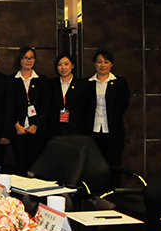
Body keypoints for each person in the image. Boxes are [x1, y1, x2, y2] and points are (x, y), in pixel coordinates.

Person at [85, 49, 130, 185]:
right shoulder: (87, 83)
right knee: (93, 166)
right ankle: (96, 193)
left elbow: (123, 105)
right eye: (99, 62)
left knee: (114, 164)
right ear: (94, 64)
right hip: (93, 131)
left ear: (111, 64)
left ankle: (114, 193)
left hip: (113, 132)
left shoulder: (120, 82)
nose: (102, 65)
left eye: (106, 62)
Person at [10, 47, 49, 173]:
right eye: (25, 58)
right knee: (19, 166)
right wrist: (16, 125)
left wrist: (36, 125)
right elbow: (8, 106)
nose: (28, 60)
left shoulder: (42, 80)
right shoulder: (11, 80)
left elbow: (46, 105)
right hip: (18, 130)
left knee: (36, 165)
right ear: (19, 60)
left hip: (37, 130)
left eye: (31, 58)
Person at [46, 53, 87, 138]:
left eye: (66, 64)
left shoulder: (82, 85)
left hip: (76, 129)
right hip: (55, 128)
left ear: (73, 66)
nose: (63, 67)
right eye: (59, 64)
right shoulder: (50, 84)